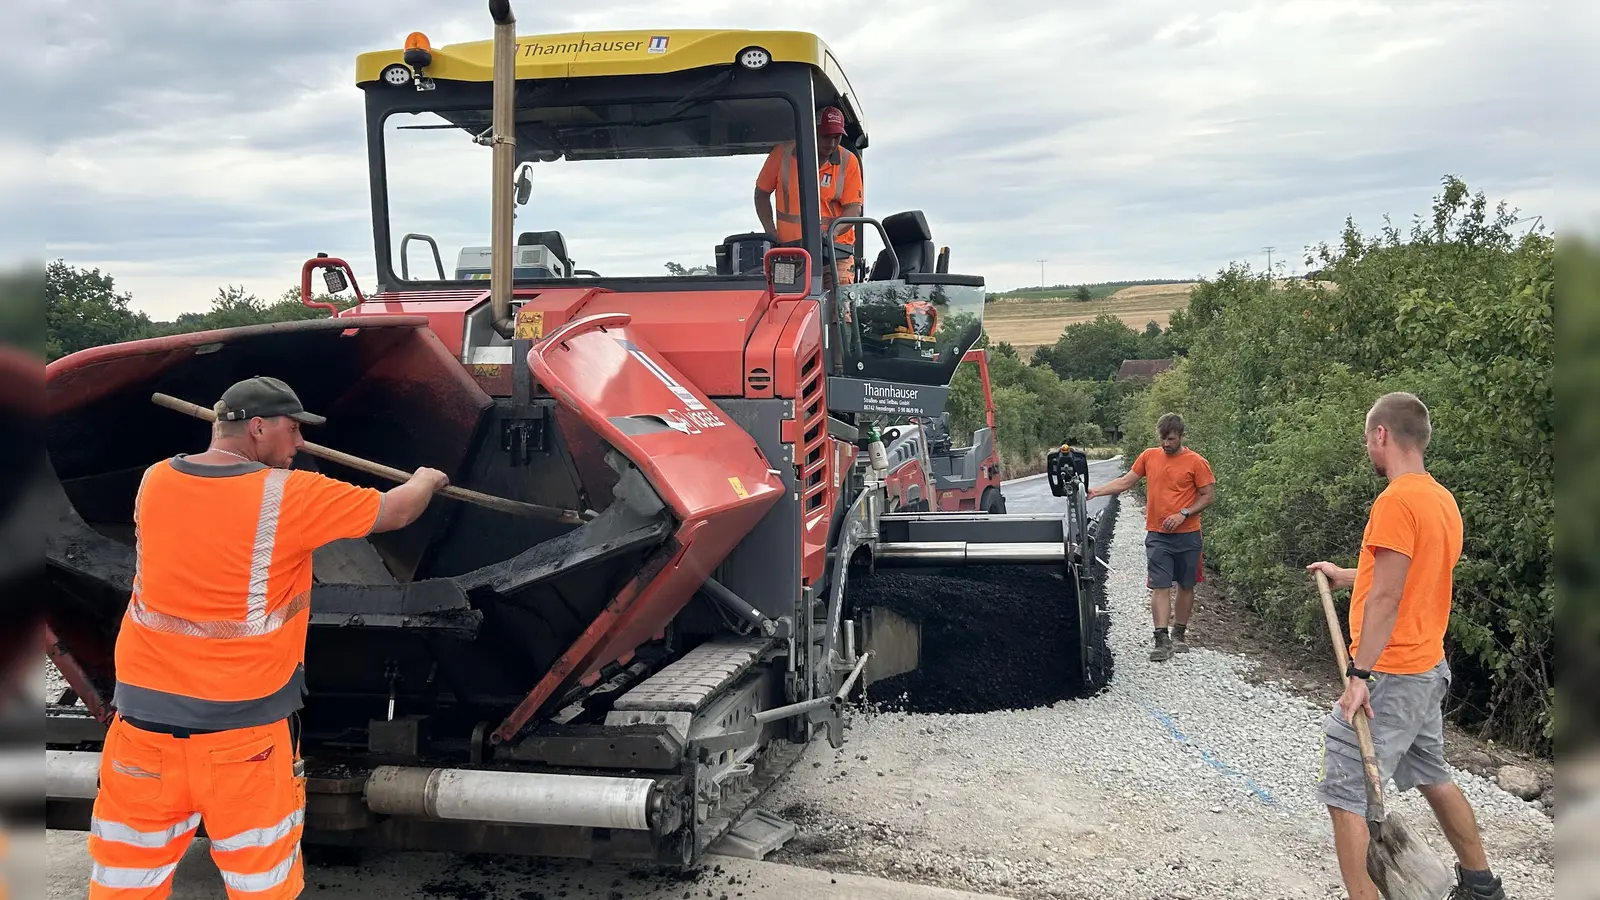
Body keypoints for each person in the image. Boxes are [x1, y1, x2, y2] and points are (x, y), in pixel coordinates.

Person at [86, 376, 450, 900]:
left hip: (140, 734)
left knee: (124, 879)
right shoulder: (290, 496)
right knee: (261, 884)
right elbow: (395, 511)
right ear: (258, 427)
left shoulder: (155, 481)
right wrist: (425, 480)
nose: (300, 443)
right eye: (294, 429)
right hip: (242, 742)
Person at [1305, 392, 1505, 900]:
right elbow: (1404, 578)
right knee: (1433, 773)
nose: (1368, 449)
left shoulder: (1395, 501)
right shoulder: (1441, 499)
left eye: (1368, 439)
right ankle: (1482, 887)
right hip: (1426, 666)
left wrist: (1360, 675)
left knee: (1344, 790)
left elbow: (1391, 596)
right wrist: (1346, 576)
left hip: (1391, 672)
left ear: (1382, 435)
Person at [1085, 412, 1215, 661]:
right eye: (1164, 439)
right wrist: (1096, 491)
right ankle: (1161, 638)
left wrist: (1183, 513)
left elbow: (1208, 496)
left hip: (1188, 535)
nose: (1167, 444)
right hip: (1158, 535)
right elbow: (1126, 481)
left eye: (1172, 439)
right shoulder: (1149, 457)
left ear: (1181, 436)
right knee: (1160, 584)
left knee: (1186, 585)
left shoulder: (1197, 462)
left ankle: (1179, 633)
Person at [753, 105, 864, 285]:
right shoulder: (782, 154)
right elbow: (761, 194)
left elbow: (853, 209)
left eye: (837, 137)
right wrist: (771, 232)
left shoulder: (848, 161)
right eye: (825, 137)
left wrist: (831, 234)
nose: (832, 144)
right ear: (811, 131)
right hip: (788, 251)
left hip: (836, 253)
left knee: (841, 303)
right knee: (781, 299)